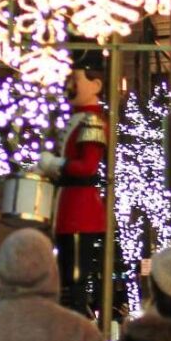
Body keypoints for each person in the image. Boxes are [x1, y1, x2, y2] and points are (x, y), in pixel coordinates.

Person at [37, 48, 108, 317]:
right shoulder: (78, 119)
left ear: (96, 84)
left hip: (80, 209)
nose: (69, 85)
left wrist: (55, 165)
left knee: (74, 276)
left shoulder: (92, 121)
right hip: (68, 206)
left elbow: (87, 166)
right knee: (67, 275)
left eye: (75, 79)